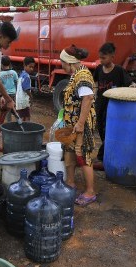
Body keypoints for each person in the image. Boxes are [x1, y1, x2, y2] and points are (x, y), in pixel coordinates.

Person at [59, 45, 96, 206]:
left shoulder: (83, 76)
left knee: (84, 155)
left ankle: (90, 191)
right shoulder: (76, 73)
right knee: (69, 151)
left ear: (68, 62)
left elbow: (87, 98)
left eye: (62, 62)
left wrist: (80, 124)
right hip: (71, 124)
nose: (61, 65)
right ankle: (71, 182)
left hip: (81, 126)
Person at [94, 42, 136, 162]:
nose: (101, 60)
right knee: (101, 129)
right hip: (100, 105)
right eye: (100, 57)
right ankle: (107, 152)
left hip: (114, 107)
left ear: (112, 57)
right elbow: (94, 82)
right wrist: (94, 94)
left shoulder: (119, 70)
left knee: (110, 129)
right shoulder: (99, 69)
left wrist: (134, 86)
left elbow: (129, 82)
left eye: (103, 58)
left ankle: (104, 155)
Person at [16, 56, 35, 122]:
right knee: (27, 117)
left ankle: (21, 130)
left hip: (19, 101)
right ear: (24, 65)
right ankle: (25, 131)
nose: (32, 69)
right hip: (24, 102)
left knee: (21, 117)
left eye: (33, 67)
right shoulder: (26, 76)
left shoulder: (21, 74)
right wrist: (31, 96)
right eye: (30, 67)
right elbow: (26, 89)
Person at [0, 56, 18, 122]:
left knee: (7, 111)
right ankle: (18, 121)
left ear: (1, 64)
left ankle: (8, 124)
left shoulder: (0, 74)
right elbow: (16, 82)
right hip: (13, 93)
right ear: (9, 64)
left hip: (5, 95)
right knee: (13, 108)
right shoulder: (14, 73)